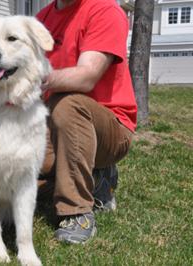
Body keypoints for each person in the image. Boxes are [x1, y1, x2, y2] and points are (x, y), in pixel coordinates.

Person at [36, 0, 137, 244]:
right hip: (56, 125)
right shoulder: (42, 18)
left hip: (109, 128)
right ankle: (97, 182)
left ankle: (77, 211)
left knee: (68, 102)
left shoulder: (104, 10)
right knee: (18, 175)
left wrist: (26, 77)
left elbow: (87, 77)